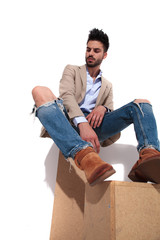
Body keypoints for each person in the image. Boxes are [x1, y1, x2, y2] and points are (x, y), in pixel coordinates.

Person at [32, 28, 160, 186]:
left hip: (95, 128)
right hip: (69, 123)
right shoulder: (72, 70)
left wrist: (104, 108)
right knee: (39, 91)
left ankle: (149, 155)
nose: (90, 53)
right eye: (88, 49)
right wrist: (82, 123)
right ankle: (84, 155)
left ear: (104, 55)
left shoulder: (107, 85)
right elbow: (67, 96)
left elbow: (110, 110)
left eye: (96, 50)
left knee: (142, 103)